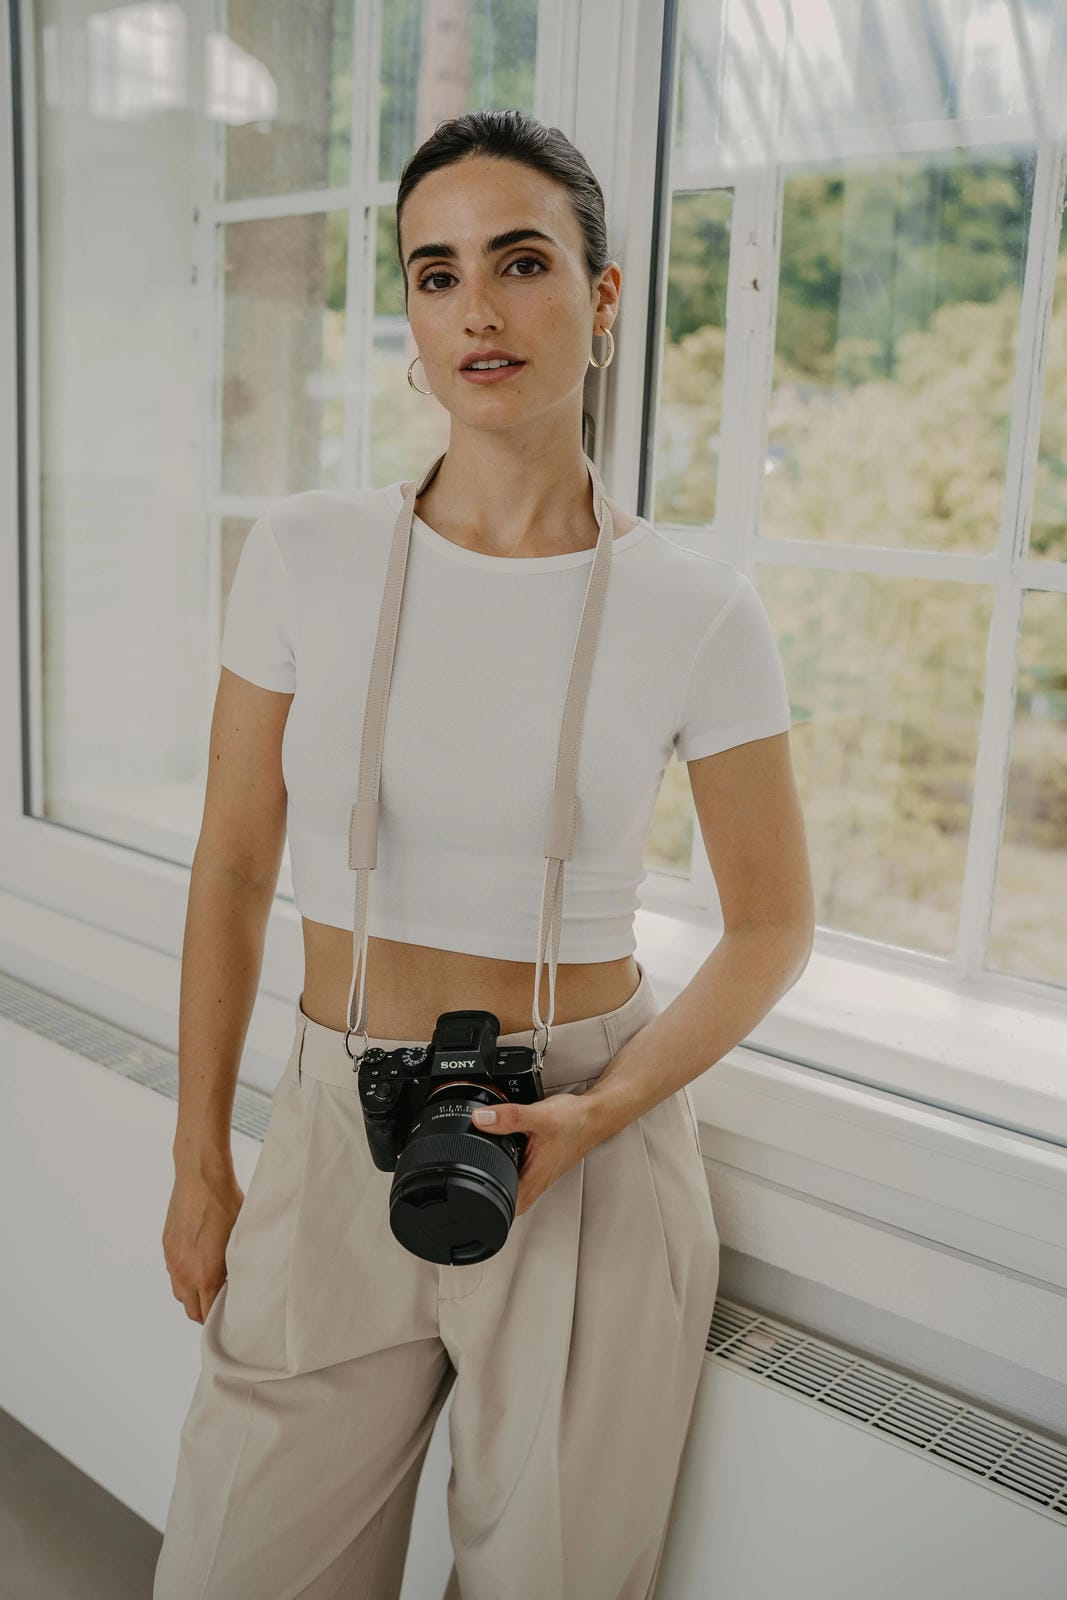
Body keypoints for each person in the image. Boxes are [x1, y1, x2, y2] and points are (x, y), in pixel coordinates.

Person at [155, 109, 813, 1600]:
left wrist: (604, 1111)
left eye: (521, 262)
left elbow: (774, 925)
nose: (478, 310)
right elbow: (235, 861)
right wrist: (201, 1155)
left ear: (602, 294)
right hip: (338, 1117)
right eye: (436, 273)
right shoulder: (305, 553)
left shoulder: (698, 609)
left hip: (584, 1137)